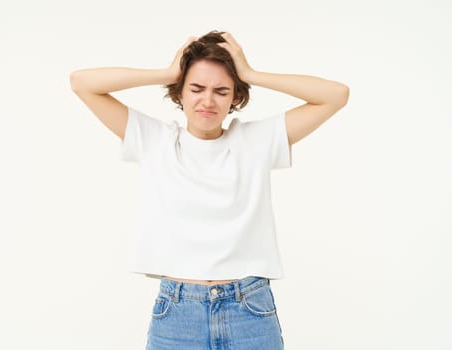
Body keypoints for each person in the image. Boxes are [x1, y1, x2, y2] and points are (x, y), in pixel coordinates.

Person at [70, 31, 349, 350]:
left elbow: (336, 95)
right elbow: (82, 83)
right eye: (196, 88)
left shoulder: (256, 141)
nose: (207, 100)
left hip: (249, 310)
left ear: (235, 97)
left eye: (221, 90)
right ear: (180, 93)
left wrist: (251, 73)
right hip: (177, 313)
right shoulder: (154, 140)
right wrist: (166, 73)